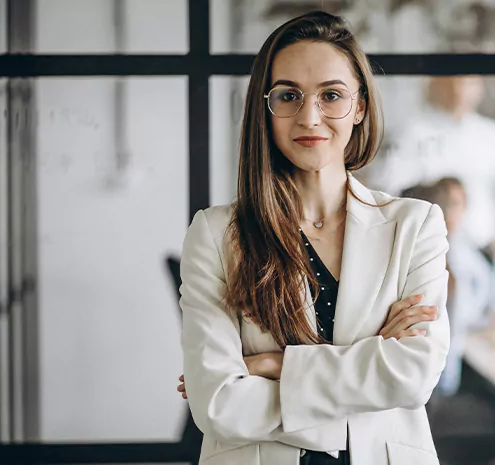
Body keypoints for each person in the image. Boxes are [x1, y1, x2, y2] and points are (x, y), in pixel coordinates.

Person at [174, 12, 450, 465]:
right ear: (265, 106)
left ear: (360, 106)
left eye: (331, 95)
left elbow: (413, 375)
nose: (309, 116)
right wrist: (365, 368)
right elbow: (218, 404)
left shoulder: (415, 226)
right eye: (288, 95)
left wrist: (276, 365)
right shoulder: (216, 234)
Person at [361, 75, 495, 258]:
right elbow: (389, 185)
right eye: (453, 81)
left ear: (480, 87)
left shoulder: (492, 135)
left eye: (467, 82)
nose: (459, 89)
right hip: (425, 245)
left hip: (481, 243)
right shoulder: (414, 131)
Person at [402, 178, 495, 397]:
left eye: (461, 204)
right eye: (450, 204)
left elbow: (470, 315)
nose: (457, 212)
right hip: (437, 371)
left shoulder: (469, 252)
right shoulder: (428, 256)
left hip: (463, 358)